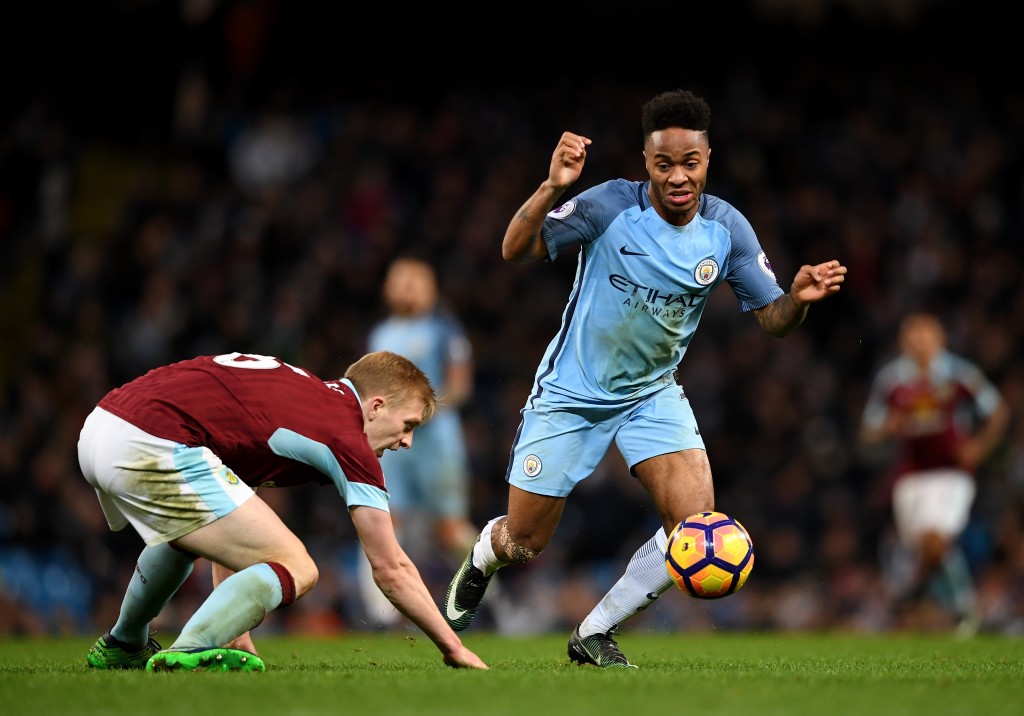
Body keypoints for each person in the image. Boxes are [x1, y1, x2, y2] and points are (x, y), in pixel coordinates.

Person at [442, 88, 848, 667]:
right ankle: (485, 554)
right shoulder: (608, 206)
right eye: (664, 164)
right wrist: (553, 185)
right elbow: (514, 249)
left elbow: (774, 320)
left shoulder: (727, 229)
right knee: (525, 542)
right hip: (571, 393)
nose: (678, 176)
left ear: (707, 159)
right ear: (646, 163)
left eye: (690, 162)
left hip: (652, 394)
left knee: (695, 528)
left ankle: (593, 634)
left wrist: (799, 300)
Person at [81, 350, 487, 672]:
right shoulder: (345, 436)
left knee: (186, 539)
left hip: (104, 424)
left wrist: (236, 630)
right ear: (376, 406)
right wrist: (452, 647)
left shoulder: (300, 393)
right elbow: (390, 568)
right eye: (408, 424)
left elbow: (232, 518)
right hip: (151, 439)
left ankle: (124, 643)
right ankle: (191, 650)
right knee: (298, 566)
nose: (407, 442)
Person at [860, 311, 1009, 632]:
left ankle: (953, 607)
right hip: (910, 477)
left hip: (952, 473)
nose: (920, 343)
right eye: (913, 338)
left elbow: (997, 411)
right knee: (928, 550)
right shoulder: (893, 380)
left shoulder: (959, 374)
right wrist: (889, 426)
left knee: (935, 539)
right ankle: (924, 600)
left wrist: (979, 447)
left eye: (926, 336)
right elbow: (868, 430)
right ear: (903, 343)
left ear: (940, 339)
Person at [356, 256, 479, 628]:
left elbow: (460, 386)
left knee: (450, 529)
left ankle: (495, 599)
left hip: (437, 442)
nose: (408, 287)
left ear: (430, 288)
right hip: (390, 444)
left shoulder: (445, 330)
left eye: (416, 280)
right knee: (384, 521)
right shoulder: (379, 336)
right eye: (401, 280)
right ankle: (381, 615)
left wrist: (422, 413)